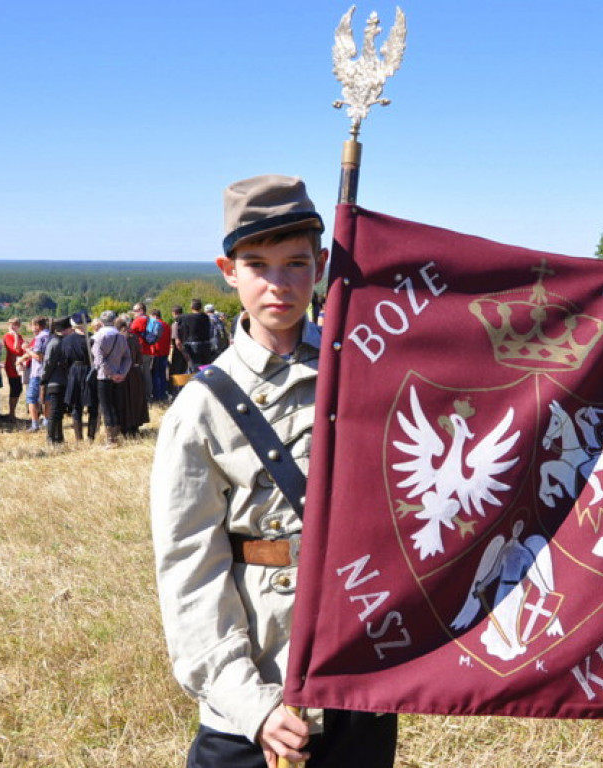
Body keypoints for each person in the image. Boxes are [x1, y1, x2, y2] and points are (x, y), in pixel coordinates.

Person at [150, 175, 400, 768]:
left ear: (321, 264)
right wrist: (251, 703)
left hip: (358, 676)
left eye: (296, 263)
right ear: (228, 269)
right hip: (256, 691)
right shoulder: (201, 409)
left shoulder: (367, 372)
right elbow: (190, 570)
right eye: (257, 265)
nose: (279, 284)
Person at [92, 310, 130, 446]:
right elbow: (127, 358)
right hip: (119, 377)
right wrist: (122, 373)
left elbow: (99, 361)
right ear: (114, 321)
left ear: (101, 322)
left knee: (107, 407)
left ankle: (111, 440)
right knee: (116, 405)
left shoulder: (98, 337)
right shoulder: (121, 337)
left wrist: (111, 373)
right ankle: (116, 436)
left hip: (104, 377)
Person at [63, 312, 97, 442]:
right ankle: (91, 437)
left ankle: (79, 438)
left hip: (75, 371)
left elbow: (65, 359)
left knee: (77, 406)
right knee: (92, 406)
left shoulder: (67, 340)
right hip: (90, 371)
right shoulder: (92, 338)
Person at [41, 316, 74, 444]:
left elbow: (48, 363)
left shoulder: (58, 342)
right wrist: (44, 379)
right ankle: (52, 438)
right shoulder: (57, 343)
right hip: (58, 381)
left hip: (59, 381)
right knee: (55, 412)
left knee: (57, 412)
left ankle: (57, 438)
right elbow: (49, 363)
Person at [25, 317, 51, 432]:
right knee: (47, 398)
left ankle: (35, 424)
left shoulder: (40, 338)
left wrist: (27, 350)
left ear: (37, 326)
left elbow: (38, 357)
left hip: (37, 372)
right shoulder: (51, 335)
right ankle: (47, 421)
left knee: (31, 398)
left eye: (32, 325)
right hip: (48, 371)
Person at [177, 298, 214, 371]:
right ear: (200, 307)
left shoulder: (186, 317)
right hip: (206, 343)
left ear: (191, 307)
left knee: (195, 365)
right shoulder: (205, 317)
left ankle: (198, 380)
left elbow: (183, 331)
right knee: (206, 365)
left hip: (193, 344)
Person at [129, 302, 156, 402]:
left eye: (135, 311)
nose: (133, 313)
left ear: (141, 310)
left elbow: (129, 331)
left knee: (141, 374)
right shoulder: (149, 319)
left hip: (141, 351)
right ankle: (148, 394)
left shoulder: (139, 320)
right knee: (147, 373)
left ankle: (145, 396)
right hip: (148, 350)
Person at [3, 317, 27, 420]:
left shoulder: (20, 336)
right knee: (15, 387)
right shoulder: (8, 336)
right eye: (12, 324)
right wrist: (16, 336)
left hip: (19, 364)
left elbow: (22, 349)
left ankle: (13, 413)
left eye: (16, 324)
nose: (14, 326)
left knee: (18, 388)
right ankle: (11, 413)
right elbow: (15, 349)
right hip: (12, 365)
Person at [149, 308, 172, 403]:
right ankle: (163, 394)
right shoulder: (167, 325)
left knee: (155, 375)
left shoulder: (154, 325)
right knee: (162, 374)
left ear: (154, 316)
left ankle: (157, 396)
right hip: (165, 352)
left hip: (156, 352)